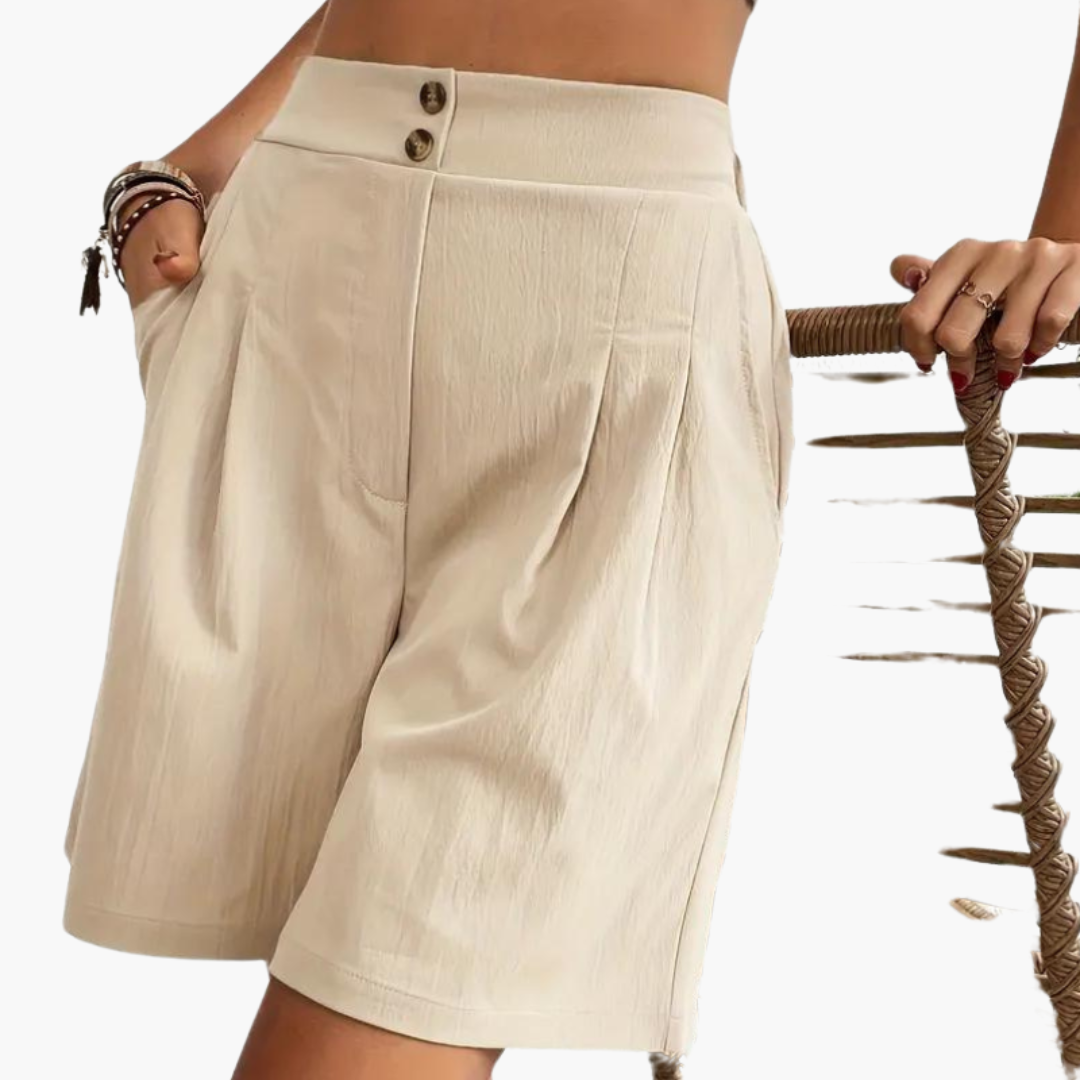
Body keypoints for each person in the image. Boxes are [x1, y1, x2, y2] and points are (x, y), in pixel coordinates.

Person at [64, 3, 1080, 1079]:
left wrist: (1064, 242)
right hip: (303, 270)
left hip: (615, 323)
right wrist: (190, 168)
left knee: (404, 971)